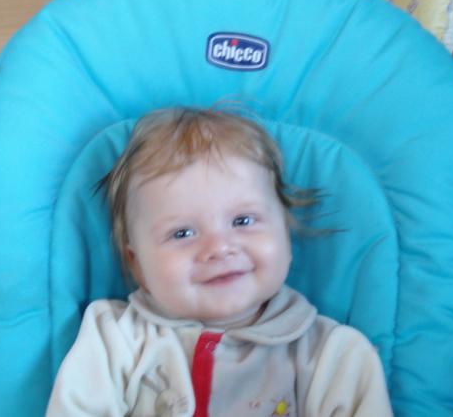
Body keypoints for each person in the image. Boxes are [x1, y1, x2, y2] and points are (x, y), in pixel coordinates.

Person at [46, 108, 393, 417]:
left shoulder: (333, 357)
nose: (219, 247)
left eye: (243, 221)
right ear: (137, 265)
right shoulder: (116, 341)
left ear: (286, 238)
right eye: (182, 233)